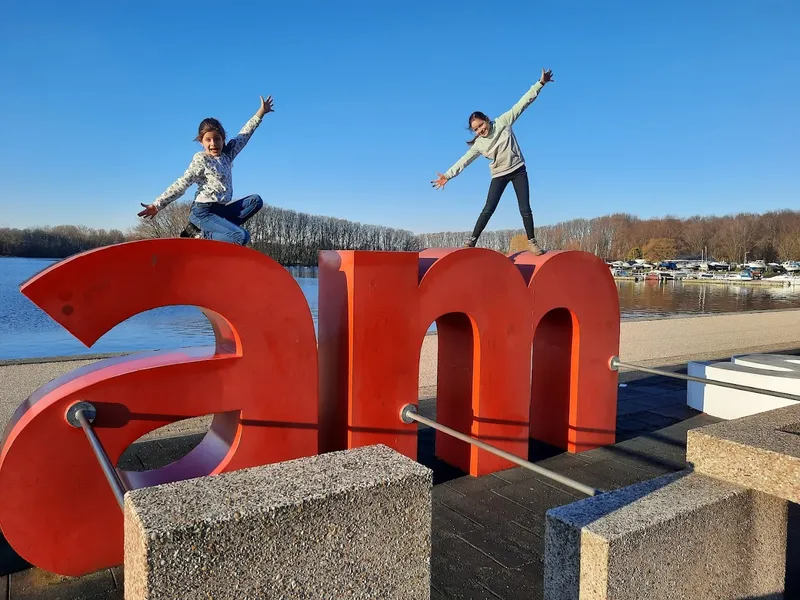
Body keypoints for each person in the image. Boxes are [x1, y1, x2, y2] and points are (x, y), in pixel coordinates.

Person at [431, 69, 554, 255]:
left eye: (481, 125)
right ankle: (472, 240)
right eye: (476, 129)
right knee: (488, 208)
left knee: (525, 208)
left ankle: (532, 242)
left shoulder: (503, 121)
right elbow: (463, 161)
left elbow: (523, 103)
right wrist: (447, 175)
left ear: (487, 119)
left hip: (518, 170)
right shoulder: (479, 145)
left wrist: (540, 84)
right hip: (499, 175)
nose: (480, 130)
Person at [137, 95, 274, 245]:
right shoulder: (201, 160)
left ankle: (221, 231)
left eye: (217, 139)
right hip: (203, 212)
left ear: (223, 139)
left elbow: (244, 134)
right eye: (208, 140)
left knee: (256, 201)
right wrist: (157, 205)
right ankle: (201, 235)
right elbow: (182, 184)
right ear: (201, 142)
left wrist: (261, 112)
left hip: (221, 211)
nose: (213, 143)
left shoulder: (228, 155)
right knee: (240, 237)